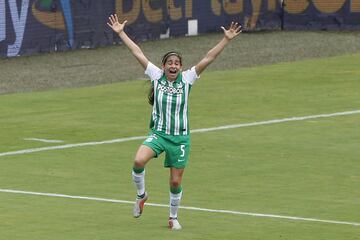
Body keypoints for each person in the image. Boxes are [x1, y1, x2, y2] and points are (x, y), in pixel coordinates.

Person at [107, 14, 241, 230]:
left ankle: (173, 217)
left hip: (179, 139)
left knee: (175, 182)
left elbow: (208, 58)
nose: (173, 66)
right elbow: (137, 52)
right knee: (139, 161)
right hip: (159, 135)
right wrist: (121, 33)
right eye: (169, 63)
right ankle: (141, 195)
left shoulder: (187, 79)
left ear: (180, 67)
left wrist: (226, 40)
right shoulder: (156, 76)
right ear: (163, 65)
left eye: (177, 63)